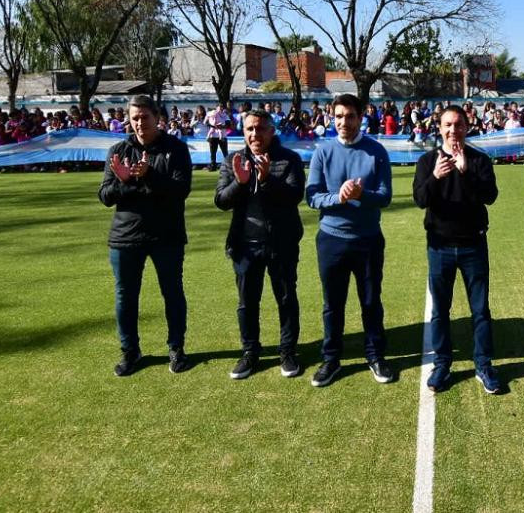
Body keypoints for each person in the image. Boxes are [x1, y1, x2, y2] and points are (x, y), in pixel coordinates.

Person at [98, 94, 193, 377]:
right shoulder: (118, 150)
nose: (139, 123)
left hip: (167, 235)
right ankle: (130, 351)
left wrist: (150, 174)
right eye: (134, 117)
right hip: (126, 237)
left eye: (145, 117)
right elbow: (104, 195)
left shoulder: (175, 149)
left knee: (172, 293)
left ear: (157, 117)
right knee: (125, 297)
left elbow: (180, 191)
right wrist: (125, 182)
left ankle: (176, 348)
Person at [305, 93, 395, 387]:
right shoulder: (322, 151)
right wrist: (338, 197)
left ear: (361, 116)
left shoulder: (376, 151)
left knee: (370, 301)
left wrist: (361, 196)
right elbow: (312, 196)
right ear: (332, 117)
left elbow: (385, 197)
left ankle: (375, 355)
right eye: (339, 116)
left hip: (368, 239)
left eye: (350, 116)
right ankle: (331, 358)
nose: (344, 121)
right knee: (333, 303)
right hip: (331, 239)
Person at [412, 104, 502, 394]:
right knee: (440, 310)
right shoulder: (428, 161)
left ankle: (483, 364)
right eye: (448, 125)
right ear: (439, 128)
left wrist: (466, 173)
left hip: (473, 245)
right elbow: (420, 199)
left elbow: (490, 196)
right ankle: (442, 363)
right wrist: (436, 177)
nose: (453, 131)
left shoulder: (479, 160)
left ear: (467, 127)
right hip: (439, 246)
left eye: (459, 125)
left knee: (480, 310)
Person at [214, 110, 306, 380]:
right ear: (243, 131)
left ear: (271, 131)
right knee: (247, 303)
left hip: (282, 243)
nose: (255, 134)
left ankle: (288, 352)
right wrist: (241, 183)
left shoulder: (289, 159)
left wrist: (266, 179)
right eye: (250, 129)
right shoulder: (233, 160)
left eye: (261, 128)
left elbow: (294, 196)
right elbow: (221, 200)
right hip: (244, 245)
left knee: (286, 299)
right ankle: (250, 353)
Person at [206, 101, 231, 170]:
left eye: (222, 107)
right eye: (220, 106)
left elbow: (228, 124)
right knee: (213, 152)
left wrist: (222, 126)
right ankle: (213, 166)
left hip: (222, 136)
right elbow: (207, 123)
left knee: (225, 152)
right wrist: (214, 126)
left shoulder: (225, 115)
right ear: (216, 107)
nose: (221, 108)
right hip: (213, 136)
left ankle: (228, 166)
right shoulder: (211, 113)